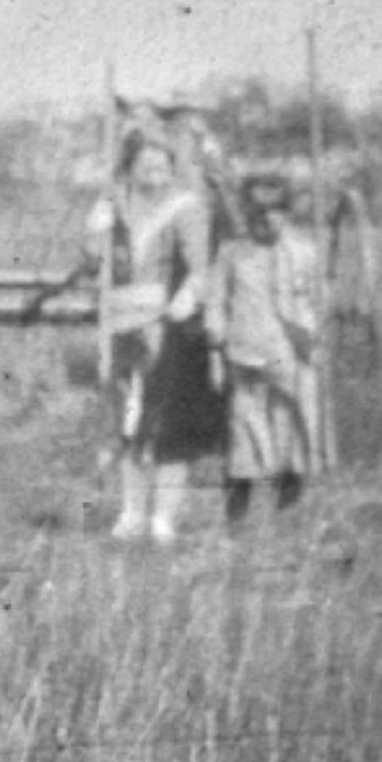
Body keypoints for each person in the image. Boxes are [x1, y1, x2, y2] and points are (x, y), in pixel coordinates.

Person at [90, 128, 218, 543]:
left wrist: (188, 294)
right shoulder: (113, 204)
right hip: (119, 324)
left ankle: (163, 518)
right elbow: (92, 260)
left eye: (164, 166)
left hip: (166, 326)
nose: (157, 175)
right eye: (147, 166)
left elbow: (200, 267)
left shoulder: (184, 207)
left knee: (165, 422)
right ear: (129, 167)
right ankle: (131, 512)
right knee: (126, 421)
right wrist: (96, 232)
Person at [207, 171, 321, 520]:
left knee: (292, 431)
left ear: (286, 213)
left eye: (275, 210)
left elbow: (316, 302)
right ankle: (237, 515)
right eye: (257, 212)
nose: (266, 219)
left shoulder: (303, 252)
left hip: (291, 355)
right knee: (244, 430)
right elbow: (216, 303)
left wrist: (312, 340)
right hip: (245, 356)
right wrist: (216, 349)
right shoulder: (233, 254)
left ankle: (288, 509)